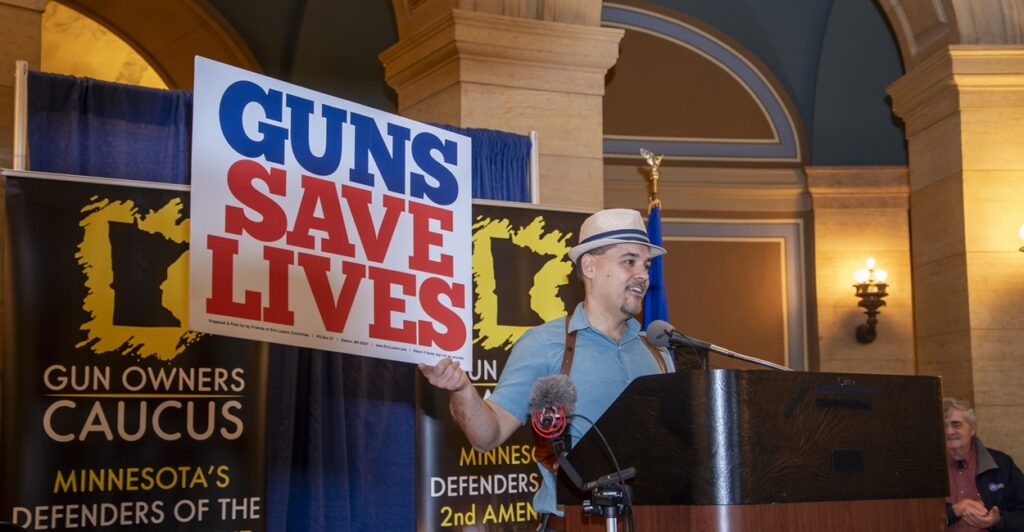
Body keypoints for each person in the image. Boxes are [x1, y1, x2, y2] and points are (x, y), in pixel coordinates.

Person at [419, 208, 674, 531]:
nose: (643, 275)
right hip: (574, 524)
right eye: (629, 261)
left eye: (646, 264)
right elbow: (488, 435)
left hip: (657, 521)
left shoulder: (658, 351)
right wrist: (461, 390)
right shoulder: (543, 344)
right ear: (590, 266)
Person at [944, 397, 1024, 531]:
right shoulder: (924, 468)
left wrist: (996, 520)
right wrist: (953, 512)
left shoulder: (1001, 464)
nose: (948, 431)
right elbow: (914, 517)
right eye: (943, 426)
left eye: (956, 425)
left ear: (973, 428)